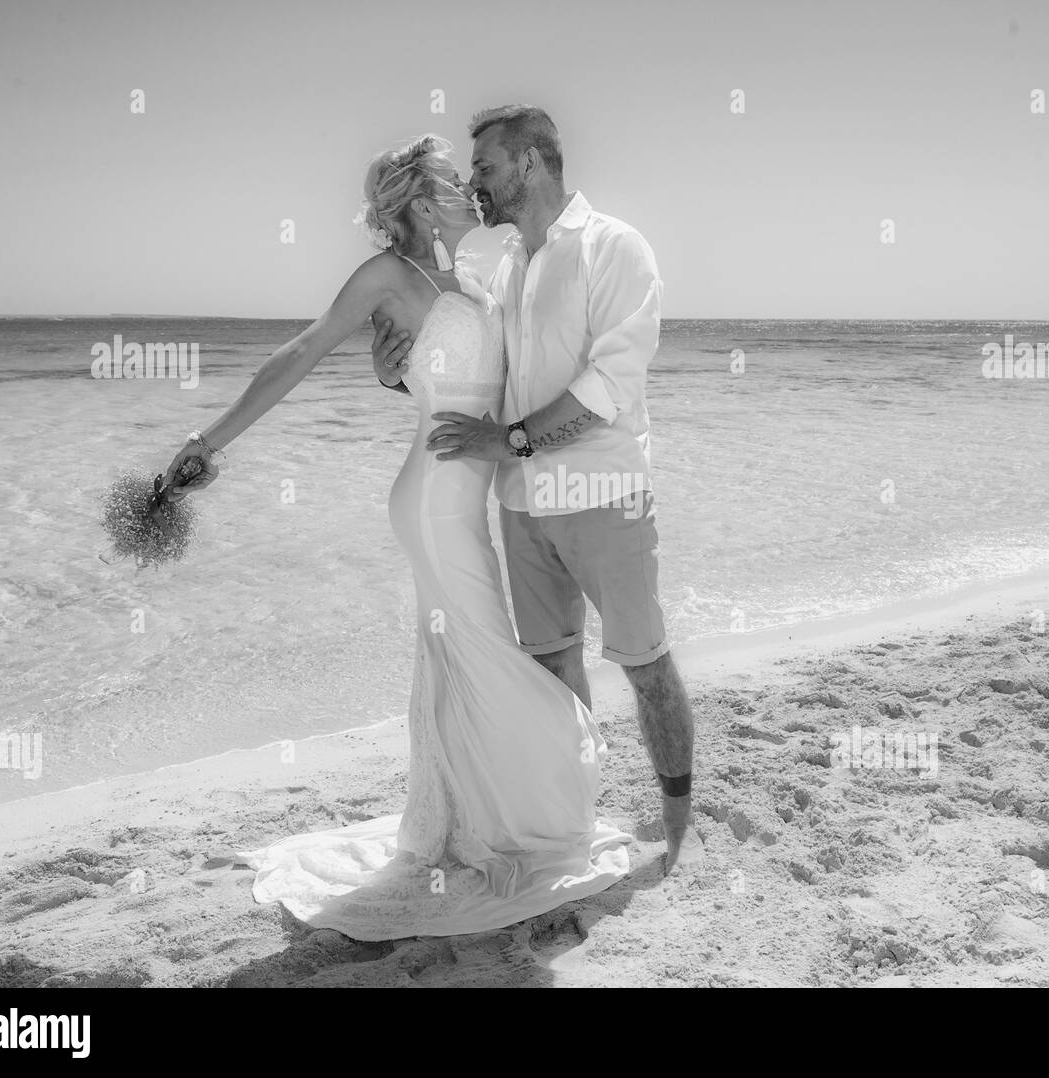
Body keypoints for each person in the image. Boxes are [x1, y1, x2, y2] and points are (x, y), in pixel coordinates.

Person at [160, 134, 629, 940]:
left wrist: (401, 375)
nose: (471, 190)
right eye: (457, 181)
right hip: (434, 501)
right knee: (483, 649)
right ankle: (517, 820)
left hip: (465, 493)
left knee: (463, 656)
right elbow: (302, 351)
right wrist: (210, 441)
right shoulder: (387, 277)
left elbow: (479, 376)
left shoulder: (473, 275)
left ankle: (471, 817)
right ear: (420, 200)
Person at [373, 106, 704, 875]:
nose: (475, 182)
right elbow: (469, 379)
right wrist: (397, 373)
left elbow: (610, 383)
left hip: (603, 495)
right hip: (521, 508)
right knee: (553, 672)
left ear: (529, 164)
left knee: (644, 664)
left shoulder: (614, 247)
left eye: (485, 166)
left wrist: (511, 440)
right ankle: (573, 821)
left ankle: (680, 829)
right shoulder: (503, 269)